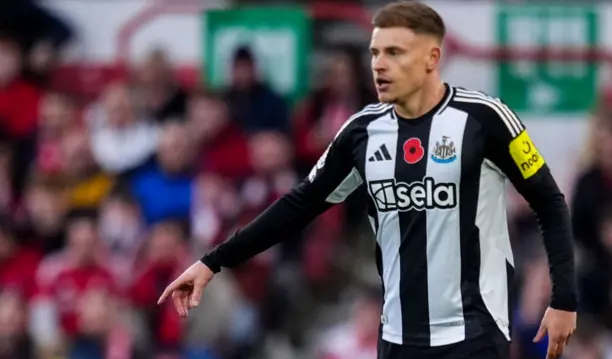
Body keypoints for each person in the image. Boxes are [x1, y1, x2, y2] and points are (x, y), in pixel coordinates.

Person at [158, 2, 577, 359]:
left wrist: (563, 298)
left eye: (394, 52)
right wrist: (214, 261)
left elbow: (549, 201)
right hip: (396, 335)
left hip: (474, 332)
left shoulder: (485, 118)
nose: (379, 64)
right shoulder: (361, 132)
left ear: (432, 57)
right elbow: (300, 204)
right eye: (375, 52)